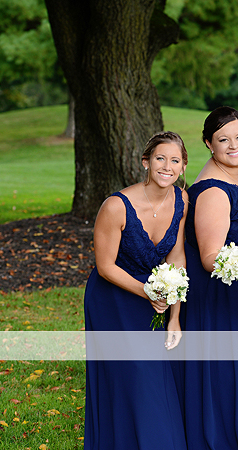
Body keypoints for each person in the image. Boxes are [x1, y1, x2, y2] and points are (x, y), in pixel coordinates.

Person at [176, 106, 238, 450]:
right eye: (223, 140)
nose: (234, 145)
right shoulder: (213, 191)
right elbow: (209, 256)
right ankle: (236, 438)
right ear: (208, 143)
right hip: (230, 291)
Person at [84, 131, 188, 450]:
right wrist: (148, 293)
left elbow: (176, 258)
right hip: (113, 298)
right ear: (146, 162)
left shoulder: (182, 200)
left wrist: (175, 316)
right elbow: (105, 266)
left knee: (155, 376)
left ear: (183, 167)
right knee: (133, 375)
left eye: (175, 160)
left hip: (155, 297)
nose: (167, 166)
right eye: (160, 158)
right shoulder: (116, 206)